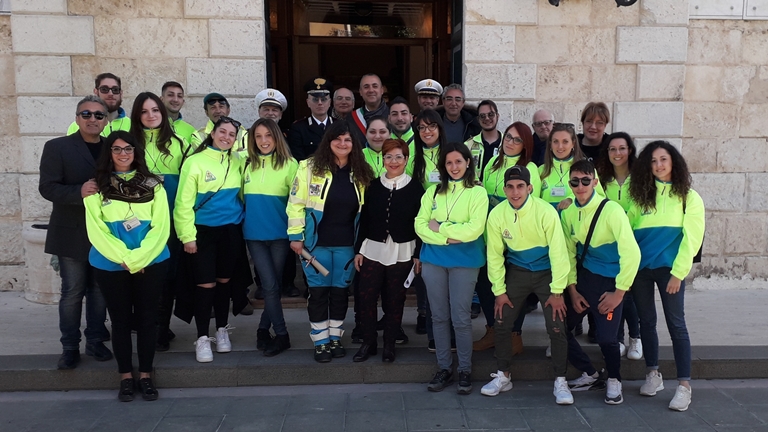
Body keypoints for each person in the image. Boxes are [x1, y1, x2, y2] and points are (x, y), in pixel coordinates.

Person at [84, 131, 170, 402]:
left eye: (128, 149)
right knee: (120, 321)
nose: (123, 154)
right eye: (117, 149)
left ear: (136, 152)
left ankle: (145, 375)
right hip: (111, 264)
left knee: (147, 320)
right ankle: (125, 377)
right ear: (109, 153)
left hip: (151, 262)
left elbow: (161, 226)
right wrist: (125, 259)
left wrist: (139, 259)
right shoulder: (95, 186)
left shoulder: (154, 185)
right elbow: (96, 230)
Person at [481, 166, 572, 405]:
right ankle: (504, 375)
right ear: (504, 189)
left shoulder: (545, 211)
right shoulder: (497, 214)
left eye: (520, 186)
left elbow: (559, 253)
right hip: (518, 272)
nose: (515, 192)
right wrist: (499, 291)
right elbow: (494, 255)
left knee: (556, 325)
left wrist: (557, 291)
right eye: (510, 187)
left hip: (546, 273)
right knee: (501, 321)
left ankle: (561, 380)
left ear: (530, 188)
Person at [287, 121, 374, 362]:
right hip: (316, 245)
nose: (342, 144)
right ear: (328, 141)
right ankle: (320, 341)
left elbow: (368, 211)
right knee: (318, 293)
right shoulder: (308, 167)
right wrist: (296, 237)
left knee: (340, 293)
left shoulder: (362, 171)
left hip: (348, 245)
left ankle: (335, 337)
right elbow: (295, 204)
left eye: (348, 140)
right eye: (338, 139)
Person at [627, 141, 705, 412]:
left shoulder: (689, 198)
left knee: (676, 325)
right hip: (641, 272)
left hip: (670, 272)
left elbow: (691, 241)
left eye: (663, 159)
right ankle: (653, 373)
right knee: (646, 322)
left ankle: (684, 386)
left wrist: (678, 274)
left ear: (674, 162)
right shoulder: (639, 197)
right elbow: (628, 235)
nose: (658, 165)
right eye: (653, 161)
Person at [40, 95, 114, 370]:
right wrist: (78, 192)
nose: (92, 119)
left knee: (99, 291)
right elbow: (47, 187)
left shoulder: (112, 148)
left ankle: (95, 341)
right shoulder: (57, 147)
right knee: (72, 292)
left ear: (106, 120)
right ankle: (69, 347)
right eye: (86, 114)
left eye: (98, 115)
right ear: (77, 118)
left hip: (104, 233)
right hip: (71, 232)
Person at [561, 160, 641, 405]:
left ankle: (614, 379)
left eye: (586, 181)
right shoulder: (568, 213)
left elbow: (632, 254)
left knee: (607, 339)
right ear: (570, 184)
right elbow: (568, 254)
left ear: (595, 182)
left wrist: (619, 293)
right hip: (584, 280)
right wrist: (572, 291)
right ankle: (590, 374)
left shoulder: (612, 210)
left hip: (610, 284)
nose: (580, 186)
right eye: (575, 181)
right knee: (558, 330)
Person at [415, 141, 489, 395]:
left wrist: (441, 228)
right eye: (448, 162)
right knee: (438, 316)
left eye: (458, 161)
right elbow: (420, 226)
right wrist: (449, 237)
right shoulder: (433, 192)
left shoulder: (478, 193)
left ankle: (465, 369)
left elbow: (474, 229)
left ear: (468, 162)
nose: (454, 167)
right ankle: (444, 368)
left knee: (460, 317)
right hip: (433, 260)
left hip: (465, 261)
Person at [174, 117, 245, 363]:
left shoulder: (238, 160)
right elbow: (183, 203)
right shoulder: (194, 161)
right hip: (202, 232)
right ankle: (203, 337)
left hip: (230, 231)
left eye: (232, 134)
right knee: (205, 285)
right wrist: (187, 236)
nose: (226, 137)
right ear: (212, 133)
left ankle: (222, 330)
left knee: (224, 283)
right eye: (222, 132)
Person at [128, 91, 191, 352]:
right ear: (137, 115)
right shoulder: (128, 143)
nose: (150, 115)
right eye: (144, 111)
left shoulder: (180, 143)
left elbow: (188, 186)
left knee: (168, 276)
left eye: (155, 110)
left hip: (171, 222)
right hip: (140, 223)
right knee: (142, 275)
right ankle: (146, 325)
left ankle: (160, 329)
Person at [352, 138, 424, 362]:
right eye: (388, 156)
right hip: (373, 249)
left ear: (406, 159)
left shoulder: (416, 188)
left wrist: (418, 255)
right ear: (383, 159)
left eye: (398, 157)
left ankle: (390, 344)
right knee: (366, 297)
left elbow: (420, 224)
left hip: (403, 251)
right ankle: (368, 342)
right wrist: (358, 250)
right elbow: (364, 220)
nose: (394, 161)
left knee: (395, 299)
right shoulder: (373, 186)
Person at [473, 122, 541, 353]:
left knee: (514, 288)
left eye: (517, 139)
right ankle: (493, 330)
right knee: (486, 283)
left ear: (526, 145)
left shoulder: (530, 168)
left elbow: (530, 205)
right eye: (508, 137)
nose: (510, 142)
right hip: (489, 234)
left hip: (515, 238)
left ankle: (514, 335)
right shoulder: (492, 162)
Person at [243, 118, 298, 357]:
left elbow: (297, 203)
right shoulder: (246, 163)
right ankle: (279, 334)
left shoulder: (291, 164)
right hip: (254, 235)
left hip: (280, 235)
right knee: (269, 285)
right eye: (258, 136)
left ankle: (265, 330)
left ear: (277, 137)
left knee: (272, 286)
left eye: (268, 135)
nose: (263, 141)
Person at [595, 131, 642, 360]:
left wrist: (624, 223)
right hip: (610, 243)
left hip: (633, 241)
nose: (617, 153)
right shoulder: (602, 179)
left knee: (629, 293)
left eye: (622, 148)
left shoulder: (640, 177)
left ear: (629, 150)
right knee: (616, 290)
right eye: (612, 149)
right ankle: (619, 339)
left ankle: (636, 338)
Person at [410, 109, 449, 344]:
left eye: (431, 126)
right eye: (422, 127)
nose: (427, 131)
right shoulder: (412, 156)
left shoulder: (450, 153)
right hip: (422, 222)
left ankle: (446, 328)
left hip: (448, 224)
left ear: (439, 128)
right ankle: (424, 314)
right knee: (424, 272)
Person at [538, 122, 605, 211]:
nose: (560, 146)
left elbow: (600, 197)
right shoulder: (541, 170)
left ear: (573, 143)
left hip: (577, 218)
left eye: (565, 142)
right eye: (555, 141)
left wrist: (572, 199)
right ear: (550, 144)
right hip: (548, 219)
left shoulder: (587, 169)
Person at [287, 77, 334, 161]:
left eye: (323, 99)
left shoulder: (339, 125)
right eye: (315, 100)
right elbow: (298, 158)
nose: (320, 103)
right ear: (308, 103)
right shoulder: (298, 128)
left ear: (329, 102)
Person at [464, 100, 502, 179]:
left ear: (497, 116)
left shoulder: (507, 143)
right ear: (478, 119)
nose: (487, 118)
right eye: (482, 116)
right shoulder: (468, 145)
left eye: (491, 114)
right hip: (475, 187)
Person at [347, 73, 389, 144]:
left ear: (382, 90)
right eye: (366, 87)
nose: (371, 90)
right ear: (360, 92)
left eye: (375, 86)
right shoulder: (351, 119)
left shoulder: (393, 116)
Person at [160, 81, 199, 147]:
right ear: (161, 99)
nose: (175, 99)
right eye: (170, 95)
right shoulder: (153, 127)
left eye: (179, 96)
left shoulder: (191, 130)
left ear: (183, 102)